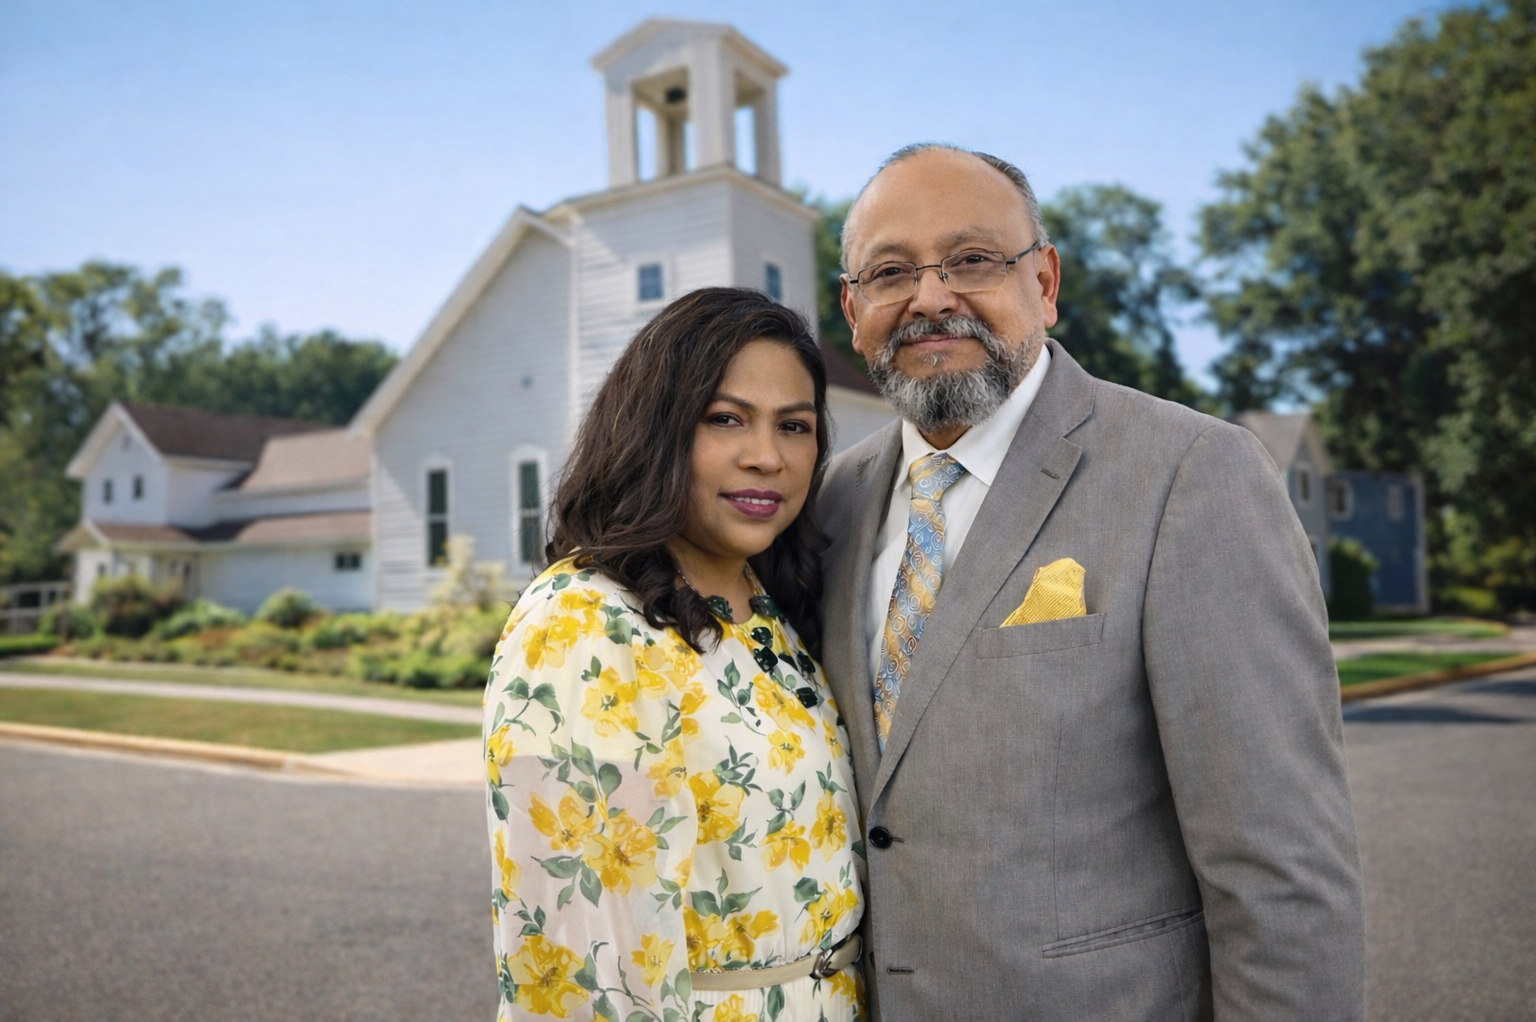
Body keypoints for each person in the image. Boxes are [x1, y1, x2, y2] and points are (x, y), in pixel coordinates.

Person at [818, 144, 1366, 1021]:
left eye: (972, 260)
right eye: (891, 272)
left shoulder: (1194, 476)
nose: (930, 298)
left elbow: (1282, 873)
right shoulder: (827, 506)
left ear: (1045, 280)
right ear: (853, 308)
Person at [483, 288, 866, 1022]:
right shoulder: (583, 624)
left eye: (795, 426)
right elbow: (575, 960)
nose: (767, 457)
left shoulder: (770, 615)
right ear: (654, 429)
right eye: (726, 419)